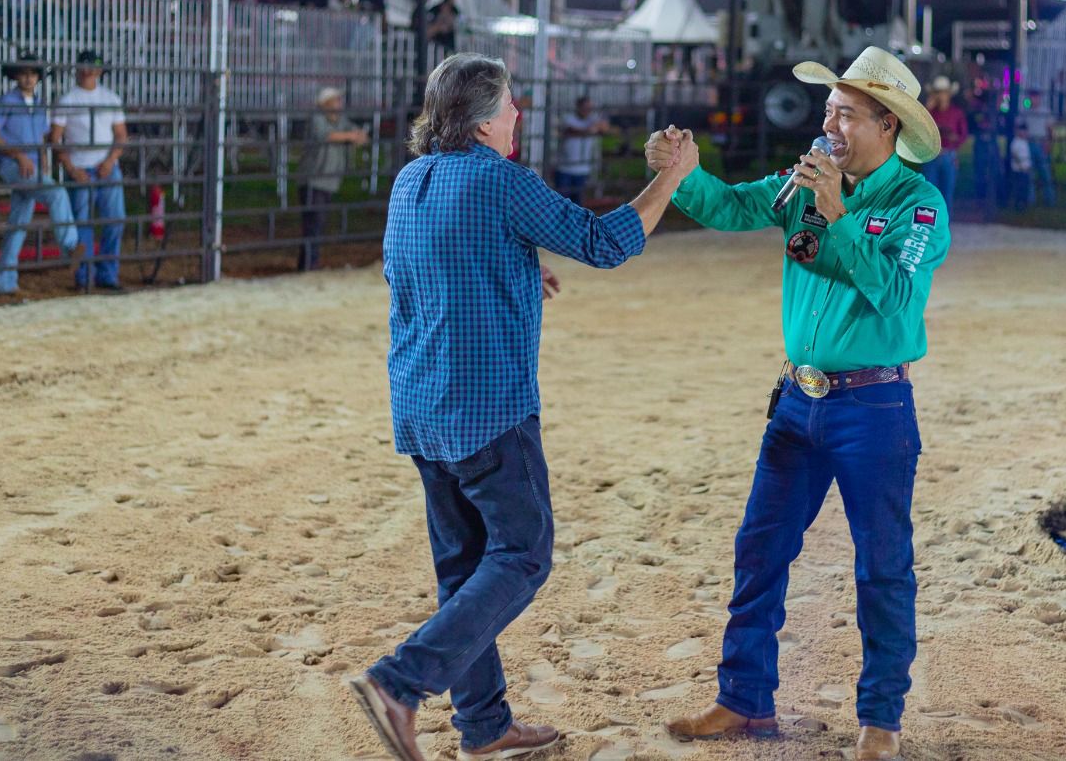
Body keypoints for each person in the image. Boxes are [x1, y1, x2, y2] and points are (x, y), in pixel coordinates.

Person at [344, 54, 697, 761]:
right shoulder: (503, 181)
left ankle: (484, 727)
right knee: (523, 554)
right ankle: (400, 681)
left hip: (420, 407)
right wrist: (673, 176)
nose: (517, 118)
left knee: (463, 567)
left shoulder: (411, 180)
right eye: (509, 107)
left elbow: (411, 267)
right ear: (481, 124)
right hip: (487, 409)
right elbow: (606, 243)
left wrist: (512, 267)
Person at [652, 46, 947, 761]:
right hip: (797, 401)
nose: (830, 125)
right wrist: (684, 175)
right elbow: (730, 206)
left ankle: (881, 723)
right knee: (759, 550)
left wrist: (838, 215)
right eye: (828, 111)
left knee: (882, 567)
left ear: (888, 125)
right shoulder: (803, 182)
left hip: (873, 410)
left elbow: (898, 296)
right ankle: (743, 701)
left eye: (846, 114)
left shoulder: (920, 205)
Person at [0, 53, 82, 295]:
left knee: (18, 224)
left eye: (33, 74)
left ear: (37, 78)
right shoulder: (6, 101)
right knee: (56, 193)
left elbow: (40, 137)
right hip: (13, 164)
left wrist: (43, 159)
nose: (28, 78)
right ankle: (69, 244)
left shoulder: (38, 104)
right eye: (24, 73)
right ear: (16, 76)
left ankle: (4, 282)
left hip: (29, 165)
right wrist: (18, 155)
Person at [50, 51, 127, 291]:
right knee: (83, 222)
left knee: (114, 220)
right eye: (84, 66)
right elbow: (55, 138)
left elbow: (122, 135)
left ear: (100, 71)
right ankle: (85, 276)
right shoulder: (67, 100)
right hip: (82, 166)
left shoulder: (111, 98)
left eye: (93, 67)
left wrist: (110, 160)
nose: (88, 71)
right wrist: (71, 168)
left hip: (105, 166)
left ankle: (105, 275)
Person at [299, 87, 369, 272]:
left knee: (317, 223)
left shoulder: (339, 120)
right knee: (313, 223)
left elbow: (353, 132)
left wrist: (358, 135)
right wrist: (352, 136)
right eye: (336, 100)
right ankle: (308, 264)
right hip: (314, 179)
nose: (339, 103)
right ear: (326, 103)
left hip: (328, 180)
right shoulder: (318, 118)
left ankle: (309, 263)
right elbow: (326, 135)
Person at [553, 95, 614, 203]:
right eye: (585, 108)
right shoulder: (568, 118)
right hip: (564, 168)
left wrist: (600, 124)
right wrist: (590, 130)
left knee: (578, 204)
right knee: (561, 203)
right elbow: (571, 131)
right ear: (578, 107)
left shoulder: (592, 120)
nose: (587, 111)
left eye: (589, 108)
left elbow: (606, 129)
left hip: (582, 169)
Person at [920, 75, 966, 208]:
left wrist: (954, 140)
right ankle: (929, 225)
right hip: (931, 155)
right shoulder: (930, 113)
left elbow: (962, 135)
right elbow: (919, 129)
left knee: (947, 193)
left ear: (949, 94)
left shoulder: (956, 113)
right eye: (938, 93)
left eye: (943, 93)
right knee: (929, 193)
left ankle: (944, 224)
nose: (941, 96)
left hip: (948, 155)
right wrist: (927, 108)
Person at [1021, 89, 1056, 206]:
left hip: (1041, 143)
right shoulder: (1025, 112)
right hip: (1029, 143)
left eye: (1035, 97)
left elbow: (1050, 130)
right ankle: (1030, 199)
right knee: (1029, 174)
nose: (1033, 99)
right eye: (1031, 97)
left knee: (1045, 173)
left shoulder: (1045, 112)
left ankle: (1050, 199)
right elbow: (1020, 127)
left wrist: (1049, 143)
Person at [1008, 120, 1034, 211]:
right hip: (1019, 170)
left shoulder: (1025, 142)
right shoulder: (1016, 142)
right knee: (1020, 187)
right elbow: (1015, 155)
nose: (1025, 133)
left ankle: (1024, 203)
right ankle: (1018, 205)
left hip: (1026, 169)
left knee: (1025, 187)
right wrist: (1021, 166)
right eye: (1023, 131)